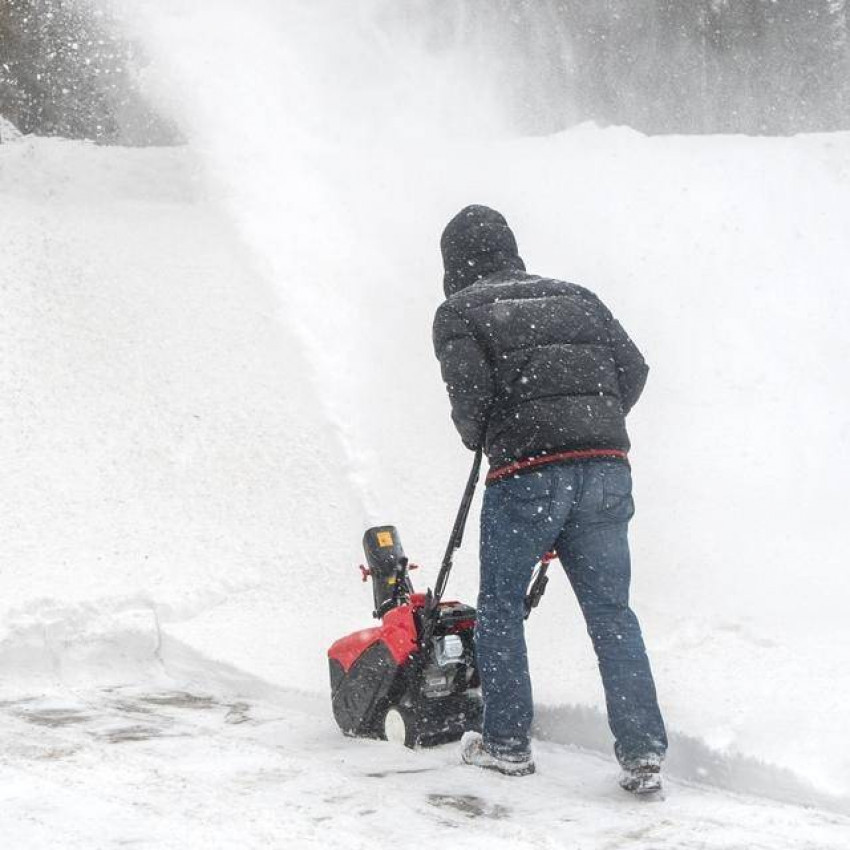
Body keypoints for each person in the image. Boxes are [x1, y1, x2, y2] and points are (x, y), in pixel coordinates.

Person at [433, 205, 667, 794]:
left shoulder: (458, 311)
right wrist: (589, 425)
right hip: (607, 471)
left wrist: (506, 434)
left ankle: (507, 745)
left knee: (501, 609)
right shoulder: (578, 296)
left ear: (453, 263)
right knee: (613, 615)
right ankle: (641, 753)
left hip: (526, 476)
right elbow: (633, 368)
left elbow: (472, 404)